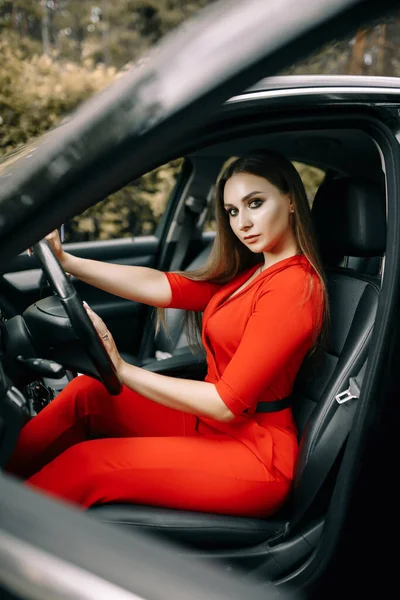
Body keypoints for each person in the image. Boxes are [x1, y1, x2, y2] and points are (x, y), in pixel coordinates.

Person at [7, 151, 327, 518]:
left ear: (289, 201)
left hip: (256, 452)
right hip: (214, 427)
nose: (243, 222)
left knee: (90, 462)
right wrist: (68, 262)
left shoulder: (294, 286)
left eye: (255, 203)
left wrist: (124, 370)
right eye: (233, 211)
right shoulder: (252, 274)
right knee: (88, 392)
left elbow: (225, 404)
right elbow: (163, 286)